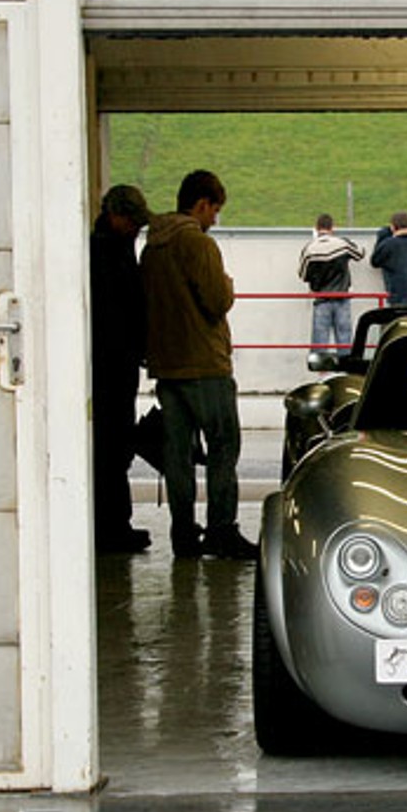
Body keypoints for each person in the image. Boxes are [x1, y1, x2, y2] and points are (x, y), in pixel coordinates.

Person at [139, 170, 257, 561]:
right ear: (202, 203)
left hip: (167, 366)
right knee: (223, 449)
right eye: (215, 210)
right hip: (205, 364)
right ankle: (222, 531)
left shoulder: (151, 247)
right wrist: (227, 282)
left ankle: (183, 534)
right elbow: (217, 300)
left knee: (178, 457)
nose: (214, 220)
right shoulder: (198, 244)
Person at [90, 184, 151, 554]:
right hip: (113, 366)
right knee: (113, 446)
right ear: (116, 216)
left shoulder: (109, 247)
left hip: (115, 364)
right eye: (133, 222)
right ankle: (112, 525)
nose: (137, 230)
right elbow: (120, 310)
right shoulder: (107, 253)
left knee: (114, 445)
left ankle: (115, 523)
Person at [297, 213, 364, 358]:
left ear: (316, 228)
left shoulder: (310, 249)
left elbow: (302, 275)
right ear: (332, 227)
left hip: (321, 299)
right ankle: (346, 372)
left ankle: (321, 373)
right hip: (342, 297)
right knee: (344, 339)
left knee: (319, 341)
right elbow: (360, 253)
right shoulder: (342, 244)